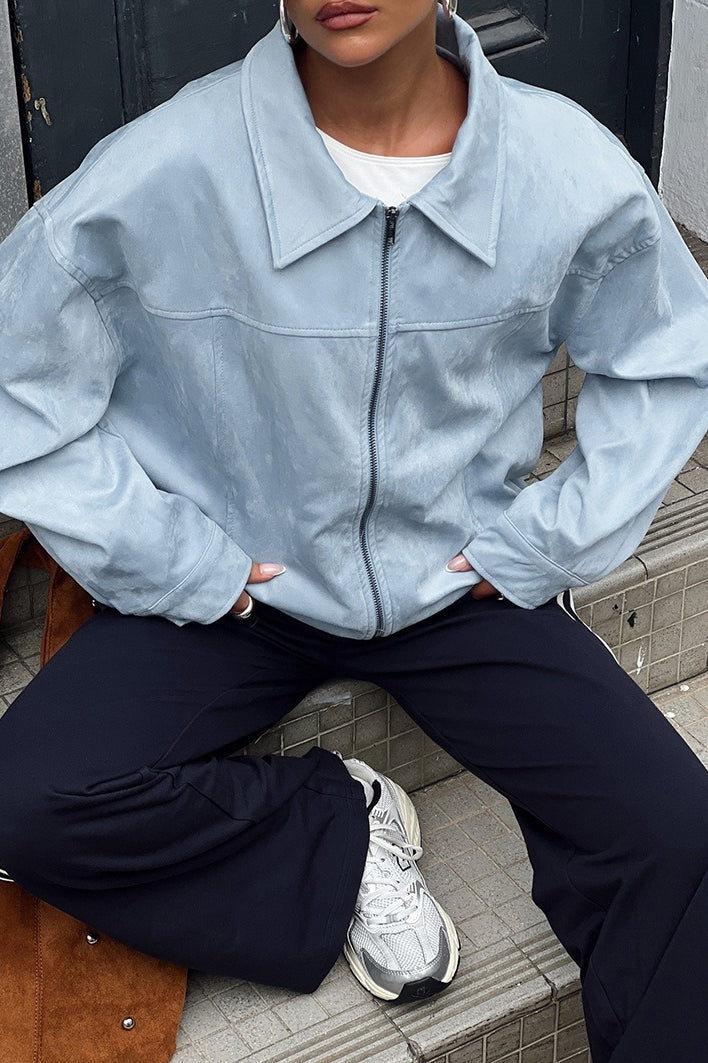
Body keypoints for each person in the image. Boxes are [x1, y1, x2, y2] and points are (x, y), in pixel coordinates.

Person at [1, 0, 708, 1056]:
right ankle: (333, 828)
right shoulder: (169, 166)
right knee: (27, 800)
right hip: (242, 589)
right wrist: (173, 559)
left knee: (678, 833)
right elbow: (18, 384)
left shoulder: (560, 165)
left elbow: (668, 358)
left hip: (459, 584)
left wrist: (546, 541)